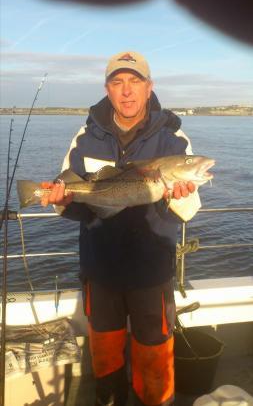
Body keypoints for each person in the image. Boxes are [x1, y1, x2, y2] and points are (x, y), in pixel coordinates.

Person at [41, 51, 199, 406]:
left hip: (151, 274)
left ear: (149, 88)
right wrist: (60, 200)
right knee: (106, 363)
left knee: (155, 369)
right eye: (118, 83)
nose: (127, 91)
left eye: (135, 82)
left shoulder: (175, 141)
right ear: (108, 90)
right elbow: (72, 200)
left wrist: (179, 196)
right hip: (101, 273)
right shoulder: (85, 136)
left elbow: (189, 210)